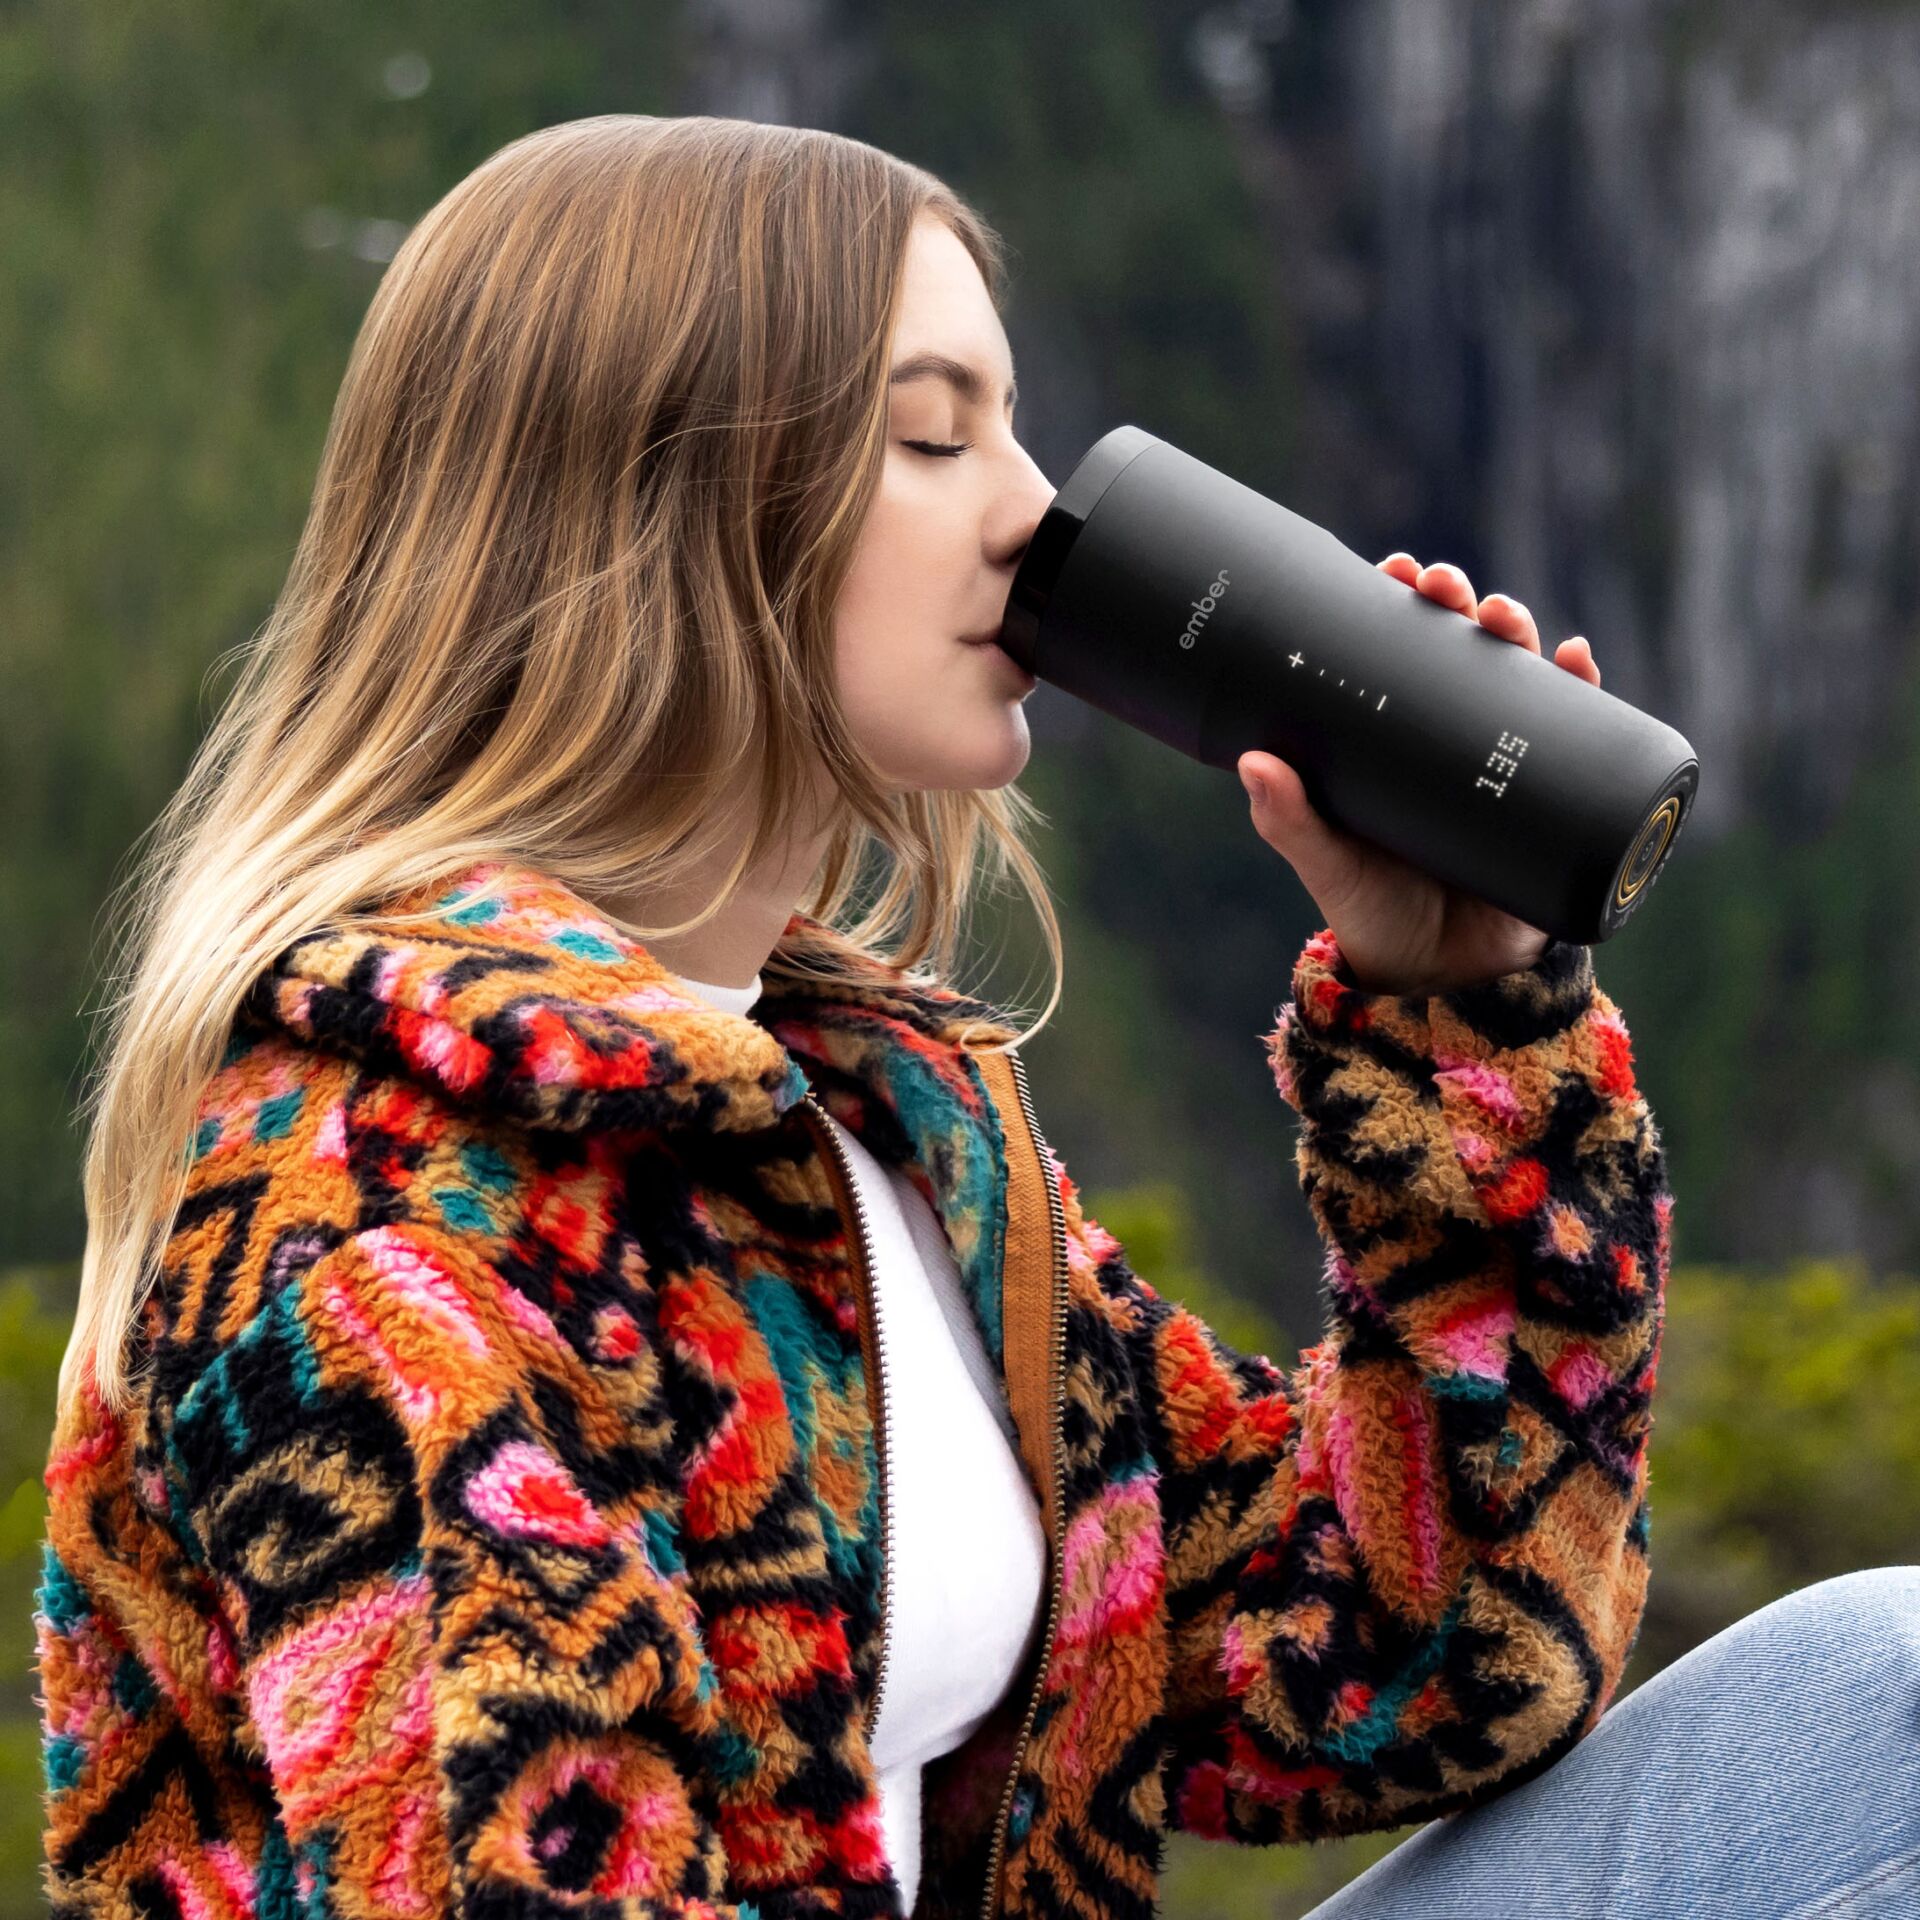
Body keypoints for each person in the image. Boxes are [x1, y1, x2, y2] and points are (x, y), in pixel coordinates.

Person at [28, 114, 1909, 1920]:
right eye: (934, 441)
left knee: (1873, 1702)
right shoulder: (377, 1195)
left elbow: (1402, 1661)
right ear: (671, 496)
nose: (1035, 517)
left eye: (1012, 430)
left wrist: (1461, 1017)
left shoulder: (864, 1129)